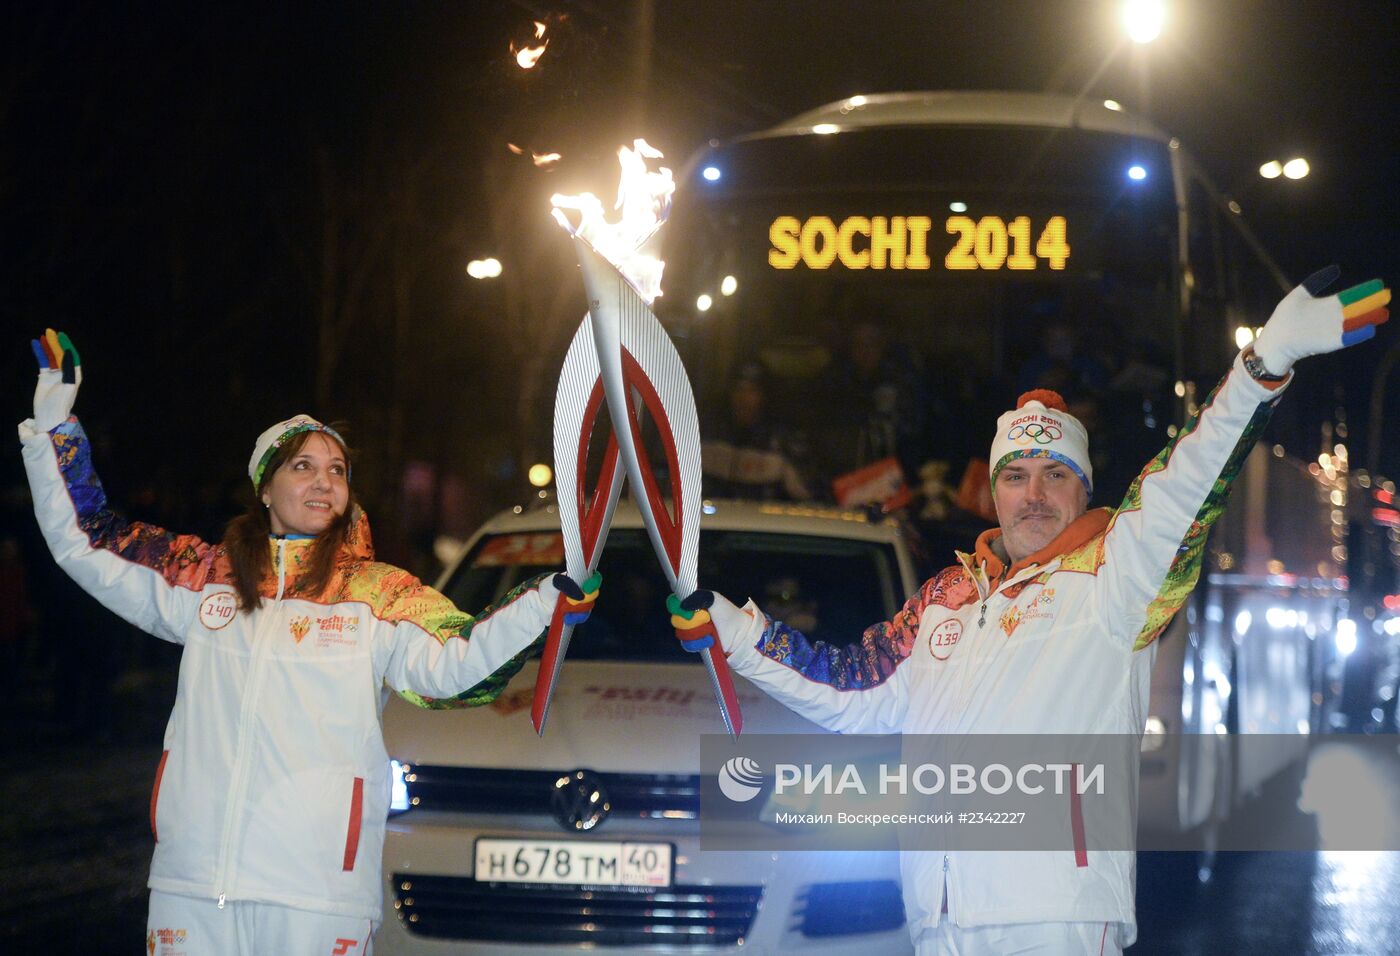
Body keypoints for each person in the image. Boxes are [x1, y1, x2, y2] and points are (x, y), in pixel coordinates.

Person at [670, 269, 1389, 955]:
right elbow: (851, 688)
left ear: (1082, 489)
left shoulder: (1115, 576)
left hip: (1054, 919)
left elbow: (1185, 483)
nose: (1034, 494)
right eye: (1015, 476)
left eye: (1055, 475)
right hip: (938, 917)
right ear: (994, 490)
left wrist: (1262, 364)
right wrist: (733, 629)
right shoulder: (946, 598)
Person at [18, 330, 599, 954]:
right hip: (192, 884)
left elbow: (458, 667)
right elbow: (88, 540)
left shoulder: (377, 595)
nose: (325, 483)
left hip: (317, 893)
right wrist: (55, 427)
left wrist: (545, 601)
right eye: (304, 467)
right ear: (265, 488)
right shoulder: (203, 577)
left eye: (338, 470)